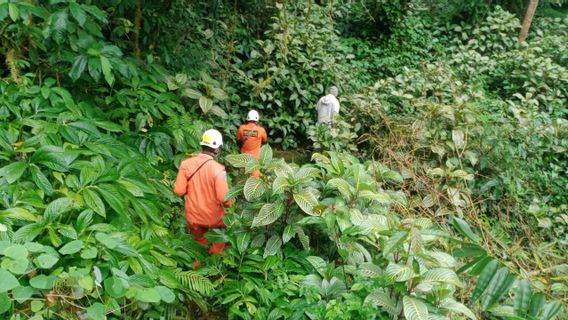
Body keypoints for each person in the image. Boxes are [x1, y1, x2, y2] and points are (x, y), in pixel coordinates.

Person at [174, 129, 231, 257]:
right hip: (213, 217)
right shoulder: (218, 169)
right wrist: (229, 205)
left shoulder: (185, 164)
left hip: (193, 216)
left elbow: (179, 190)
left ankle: (198, 263)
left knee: (199, 241)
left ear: (202, 145)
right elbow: (224, 198)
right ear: (217, 149)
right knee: (222, 233)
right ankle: (215, 257)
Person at [236, 110, 268, 177]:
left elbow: (238, 139)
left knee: (242, 176)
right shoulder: (261, 130)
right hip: (255, 157)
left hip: (243, 157)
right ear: (257, 120)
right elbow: (265, 140)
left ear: (247, 119)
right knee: (255, 176)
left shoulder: (241, 128)